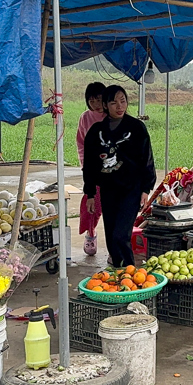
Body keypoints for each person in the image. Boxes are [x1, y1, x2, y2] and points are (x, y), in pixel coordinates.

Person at [82, 85, 156, 268]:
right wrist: (90, 193)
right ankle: (119, 271)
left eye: (122, 101)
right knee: (110, 236)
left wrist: (146, 188)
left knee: (121, 235)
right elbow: (89, 165)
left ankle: (130, 272)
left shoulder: (136, 128)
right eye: (114, 102)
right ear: (105, 105)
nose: (119, 106)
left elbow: (147, 159)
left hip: (131, 189)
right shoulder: (95, 132)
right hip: (109, 190)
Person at [77, 82, 107, 256]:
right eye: (92, 100)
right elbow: (81, 143)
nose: (96, 103)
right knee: (92, 203)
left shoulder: (112, 115)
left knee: (113, 206)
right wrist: (84, 164)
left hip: (114, 171)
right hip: (93, 169)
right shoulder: (85, 118)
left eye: (99, 99)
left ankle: (114, 242)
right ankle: (91, 232)